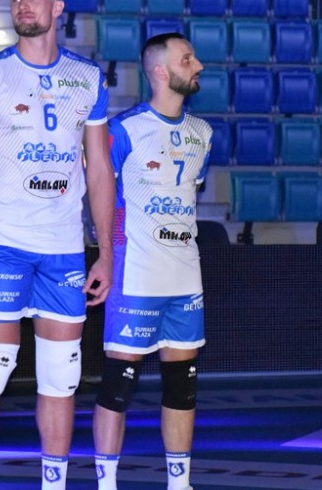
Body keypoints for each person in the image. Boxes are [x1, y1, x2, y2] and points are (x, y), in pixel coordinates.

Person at [0, 0, 114, 489]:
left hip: (64, 250)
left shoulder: (88, 78)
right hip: (3, 244)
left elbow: (99, 170)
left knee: (61, 379)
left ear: (58, 8)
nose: (23, 6)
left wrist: (105, 252)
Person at [93, 33, 213, 490]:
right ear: (161, 71)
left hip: (185, 276)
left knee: (182, 386)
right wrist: (107, 254)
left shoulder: (203, 134)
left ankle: (179, 484)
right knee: (118, 385)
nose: (198, 66)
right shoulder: (123, 131)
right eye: (188, 59)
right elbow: (99, 194)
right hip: (137, 275)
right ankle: (107, 484)